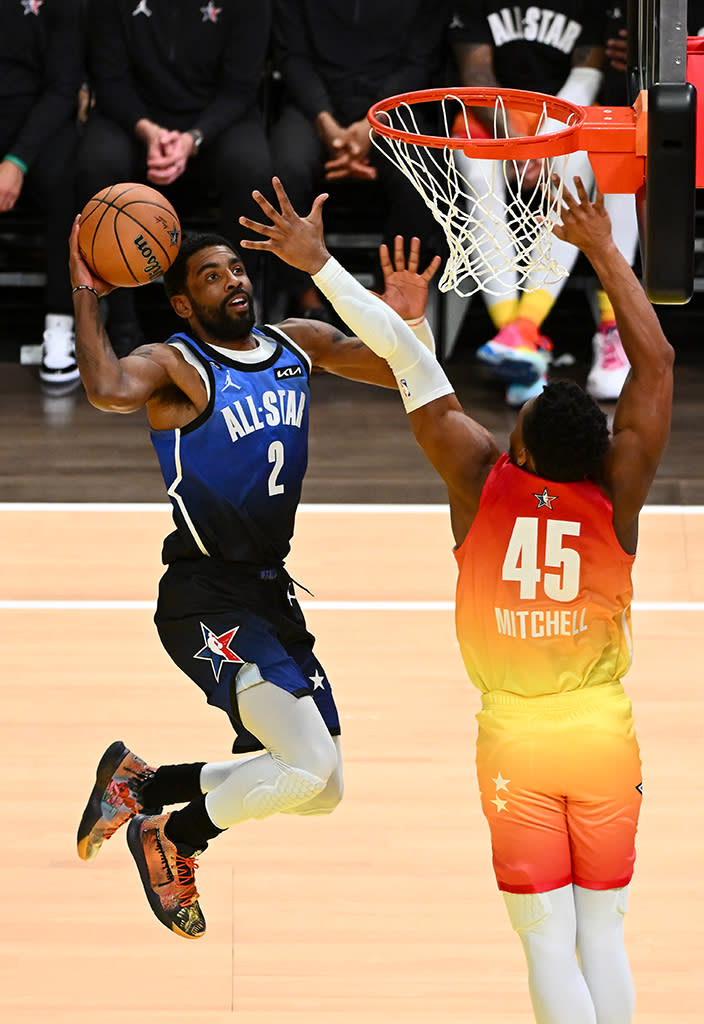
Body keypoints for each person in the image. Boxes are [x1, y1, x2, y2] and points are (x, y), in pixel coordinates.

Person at [240, 175, 673, 1022]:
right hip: (600, 733)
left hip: (515, 735)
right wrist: (602, 251)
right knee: (601, 937)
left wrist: (329, 269)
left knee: (545, 941)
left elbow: (411, 367)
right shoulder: (618, 494)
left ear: (515, 444)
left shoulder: (479, 479)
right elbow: (654, 361)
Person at [70, 177, 440, 940]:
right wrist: (84, 289)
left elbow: (399, 370)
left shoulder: (294, 343)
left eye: (236, 268)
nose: (233, 279)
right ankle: (172, 837)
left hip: (270, 594)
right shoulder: (177, 365)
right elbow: (107, 389)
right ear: (181, 303)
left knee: (323, 786)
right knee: (302, 764)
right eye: (211, 275)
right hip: (206, 596)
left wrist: (404, 322)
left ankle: (146, 785)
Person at [448, 1, 637, 406]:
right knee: (480, 181)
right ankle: (518, 342)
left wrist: (548, 141)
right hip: (493, 116)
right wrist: (516, 143)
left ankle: (526, 333)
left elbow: (587, 75)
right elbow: (476, 75)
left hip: (566, 119)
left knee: (581, 170)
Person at [75, 0, 274, 354]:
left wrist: (193, 138)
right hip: (134, 116)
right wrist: (149, 132)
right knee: (97, 163)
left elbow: (240, 87)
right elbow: (110, 78)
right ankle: (121, 319)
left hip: (215, 118)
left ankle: (236, 315)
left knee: (251, 167)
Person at [269, 0, 449, 318]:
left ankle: (391, 297)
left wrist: (373, 122)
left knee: (420, 174)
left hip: (394, 104)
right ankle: (305, 297)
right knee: (285, 169)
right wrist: (325, 121)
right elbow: (292, 57)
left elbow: (421, 61)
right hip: (314, 106)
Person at [0, 0, 84, 386]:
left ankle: (60, 325)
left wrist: (16, 161)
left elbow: (63, 87)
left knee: (67, 178)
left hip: (40, 119)